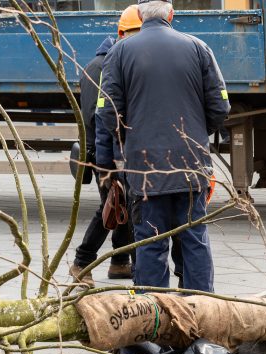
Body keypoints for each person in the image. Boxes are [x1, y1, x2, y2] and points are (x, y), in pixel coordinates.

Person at [96, 0, 229, 292]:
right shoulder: (198, 47)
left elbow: (106, 112)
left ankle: (153, 315)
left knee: (150, 241)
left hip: (145, 169)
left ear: (141, 15)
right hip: (191, 165)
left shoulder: (118, 53)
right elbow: (221, 106)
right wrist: (195, 134)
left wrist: (131, 140)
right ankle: (201, 310)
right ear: (171, 14)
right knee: (195, 239)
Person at [69, 4, 141, 288]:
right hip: (104, 153)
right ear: (122, 34)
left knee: (121, 205)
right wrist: (107, 161)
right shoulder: (102, 67)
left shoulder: (108, 63)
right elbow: (97, 118)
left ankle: (120, 263)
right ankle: (81, 263)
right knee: (111, 208)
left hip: (108, 150)